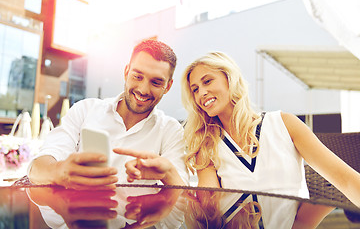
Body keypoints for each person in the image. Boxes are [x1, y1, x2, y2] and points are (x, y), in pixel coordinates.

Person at [180, 51, 360, 228]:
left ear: (230, 79)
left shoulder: (284, 124)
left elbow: (345, 180)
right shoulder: (206, 145)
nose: (201, 93)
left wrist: (303, 223)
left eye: (207, 81)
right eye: (195, 89)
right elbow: (209, 213)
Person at [28, 39, 189, 189]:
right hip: (80, 216)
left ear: (168, 86)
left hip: (136, 219)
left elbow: (185, 198)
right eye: (137, 76)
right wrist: (60, 172)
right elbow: (38, 167)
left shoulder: (171, 131)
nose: (143, 89)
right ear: (126, 72)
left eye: (156, 82)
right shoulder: (85, 110)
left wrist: (167, 174)